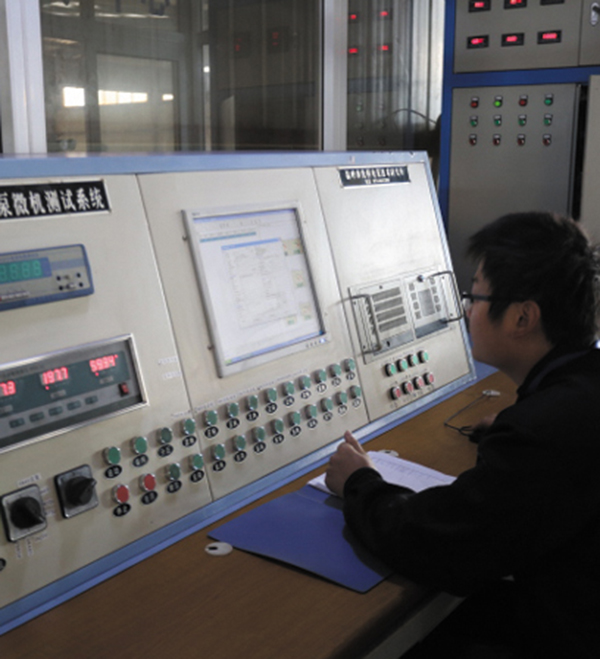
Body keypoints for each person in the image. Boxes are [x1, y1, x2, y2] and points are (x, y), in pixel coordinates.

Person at [325, 212, 600, 658]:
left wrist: (358, 482)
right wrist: (518, 427)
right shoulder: (573, 396)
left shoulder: (544, 432)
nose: (467, 310)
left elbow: (441, 545)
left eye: (475, 295)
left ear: (522, 317)